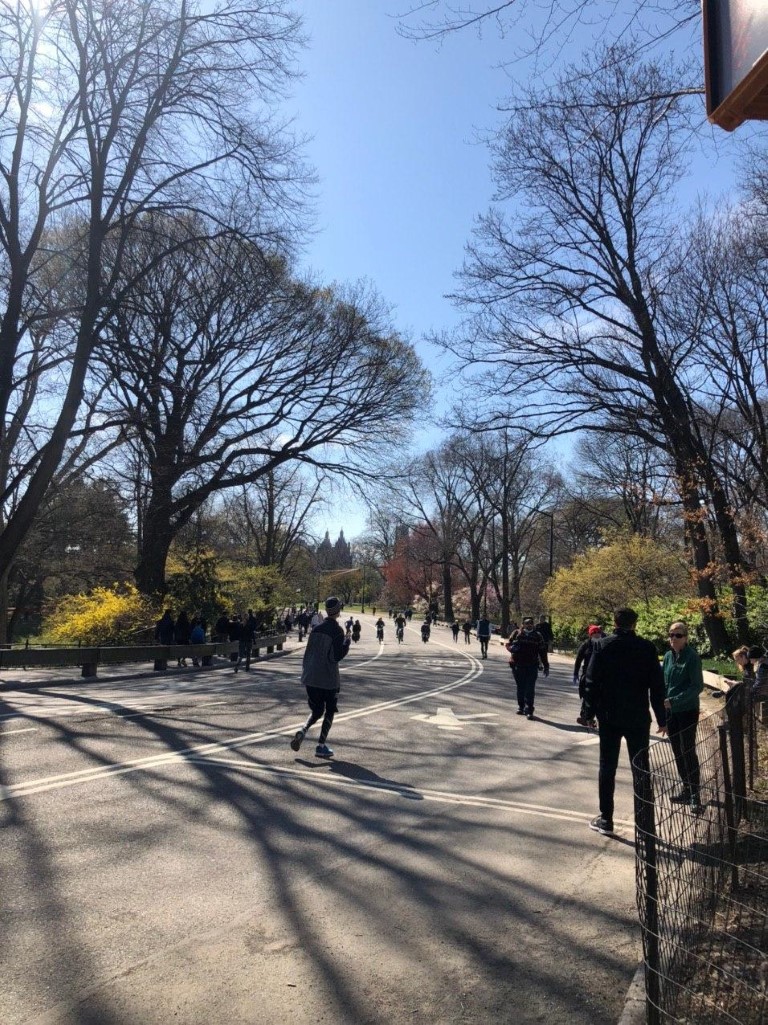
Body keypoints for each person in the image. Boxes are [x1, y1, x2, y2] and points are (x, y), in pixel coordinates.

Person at [583, 607, 666, 836]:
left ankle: (606, 820)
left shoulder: (602, 646)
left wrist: (588, 713)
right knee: (641, 768)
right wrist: (662, 718)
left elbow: (591, 682)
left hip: (609, 717)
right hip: (638, 717)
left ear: (614, 622)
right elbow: (657, 687)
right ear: (635, 624)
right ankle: (645, 822)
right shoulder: (647, 648)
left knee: (607, 767)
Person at [290, 596, 351, 758]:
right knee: (329, 710)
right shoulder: (337, 631)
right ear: (338, 611)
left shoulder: (316, 629)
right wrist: (347, 643)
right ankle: (321, 745)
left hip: (311, 676)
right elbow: (336, 657)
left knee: (317, 710)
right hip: (328, 678)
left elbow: (308, 653)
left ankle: (303, 730)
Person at [662, 621, 703, 809]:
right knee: (677, 752)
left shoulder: (692, 657)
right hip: (671, 713)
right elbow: (663, 683)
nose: (673, 638)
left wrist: (676, 700)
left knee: (688, 750)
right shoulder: (668, 657)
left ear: (685, 638)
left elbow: (697, 686)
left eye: (678, 635)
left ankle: (695, 794)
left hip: (687, 710)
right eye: (671, 634)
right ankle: (686, 789)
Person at [506, 616, 549, 720]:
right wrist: (512, 648)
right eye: (527, 623)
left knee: (530, 688)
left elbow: (542, 651)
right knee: (520, 687)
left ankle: (529, 709)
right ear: (523, 624)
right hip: (518, 664)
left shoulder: (537, 636)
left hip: (532, 665)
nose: (529, 625)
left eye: (531, 623)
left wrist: (546, 665)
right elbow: (508, 644)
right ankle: (521, 707)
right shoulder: (517, 633)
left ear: (533, 625)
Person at [574, 625, 605, 723]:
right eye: (594, 633)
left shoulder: (605, 644)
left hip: (602, 675)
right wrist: (575, 673)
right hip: (587, 675)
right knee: (587, 696)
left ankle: (599, 718)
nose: (596, 635)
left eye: (598, 633)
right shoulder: (586, 645)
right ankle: (585, 717)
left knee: (600, 698)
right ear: (590, 635)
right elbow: (578, 659)